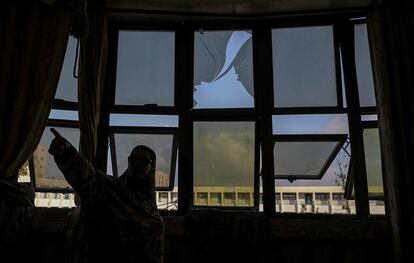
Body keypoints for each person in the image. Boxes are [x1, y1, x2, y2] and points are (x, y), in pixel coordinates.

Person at [48, 128, 164, 263]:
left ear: (152, 166)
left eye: (144, 160)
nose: (137, 163)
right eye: (133, 159)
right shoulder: (112, 189)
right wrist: (67, 153)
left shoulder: (150, 206)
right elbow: (90, 178)